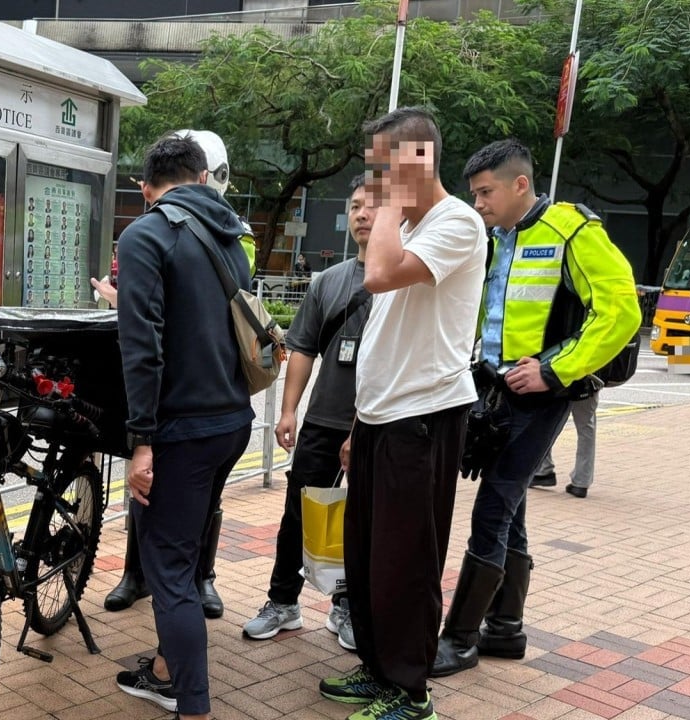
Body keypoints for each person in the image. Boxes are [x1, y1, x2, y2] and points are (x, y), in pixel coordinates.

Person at [432, 139, 638, 677]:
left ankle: (458, 639)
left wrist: (552, 370)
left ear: (520, 184)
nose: (477, 203)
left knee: (493, 508)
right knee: (511, 504)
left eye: (486, 192)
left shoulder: (572, 229)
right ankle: (504, 629)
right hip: (495, 390)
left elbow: (620, 312)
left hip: (543, 397)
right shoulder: (497, 236)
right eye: (474, 193)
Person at [318, 107, 486, 720]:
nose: (376, 183)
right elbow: (387, 329)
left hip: (424, 418)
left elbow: (380, 275)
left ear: (417, 160)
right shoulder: (413, 227)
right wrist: (359, 425)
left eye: (385, 166)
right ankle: (378, 668)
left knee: (407, 559)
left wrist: (387, 202)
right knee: (367, 558)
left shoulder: (457, 222)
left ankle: (411, 693)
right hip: (382, 419)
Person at [112, 132, 252, 720]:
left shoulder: (145, 234)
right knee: (187, 553)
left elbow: (143, 350)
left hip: (181, 430)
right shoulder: (231, 239)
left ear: (147, 189)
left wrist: (140, 444)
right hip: (232, 422)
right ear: (201, 179)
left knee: (168, 571)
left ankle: (190, 704)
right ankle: (167, 669)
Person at [242, 174, 373, 652]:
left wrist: (361, 429)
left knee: (360, 521)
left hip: (376, 427)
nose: (362, 214)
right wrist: (290, 410)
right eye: (355, 206)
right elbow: (302, 349)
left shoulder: (403, 283)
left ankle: (347, 608)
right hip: (322, 421)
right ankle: (283, 602)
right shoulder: (330, 281)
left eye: (372, 206)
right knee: (297, 515)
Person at [528, 394, 596, 498]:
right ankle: (581, 482)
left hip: (560, 385)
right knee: (586, 429)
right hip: (588, 384)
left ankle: (544, 470)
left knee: (545, 422)